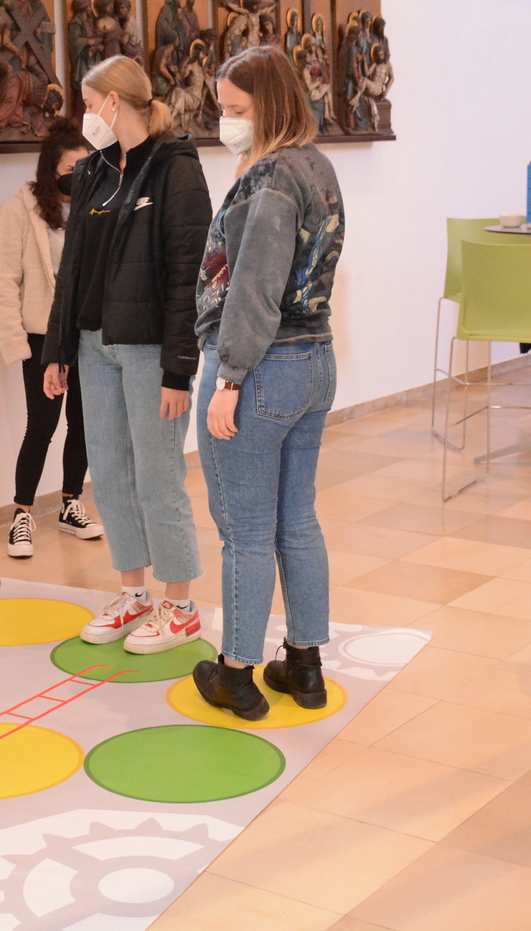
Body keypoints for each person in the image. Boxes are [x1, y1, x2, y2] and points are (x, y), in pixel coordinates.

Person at [191, 45, 345, 721]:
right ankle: (304, 665)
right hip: (314, 361)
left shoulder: (272, 178)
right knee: (296, 520)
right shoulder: (315, 165)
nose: (225, 121)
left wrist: (229, 378)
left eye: (236, 109)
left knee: (247, 531)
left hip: (261, 368)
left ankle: (236, 674)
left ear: (271, 105)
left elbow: (253, 285)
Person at [43, 56, 211, 653]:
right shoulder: (93, 171)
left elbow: (189, 277)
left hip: (149, 352)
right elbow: (72, 271)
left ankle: (179, 604)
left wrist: (178, 369)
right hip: (95, 345)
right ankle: (133, 593)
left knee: (158, 476)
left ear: (115, 102)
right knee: (110, 473)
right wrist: (58, 349)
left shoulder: (176, 170)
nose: (85, 116)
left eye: (90, 105)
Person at [0, 122, 103, 559]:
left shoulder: (96, 207)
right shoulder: (21, 211)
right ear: (50, 169)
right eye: (72, 168)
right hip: (41, 336)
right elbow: (4, 280)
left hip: (88, 334)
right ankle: (22, 513)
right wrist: (17, 343)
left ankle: (70, 503)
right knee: (41, 425)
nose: (80, 176)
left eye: (86, 167)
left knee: (84, 423)